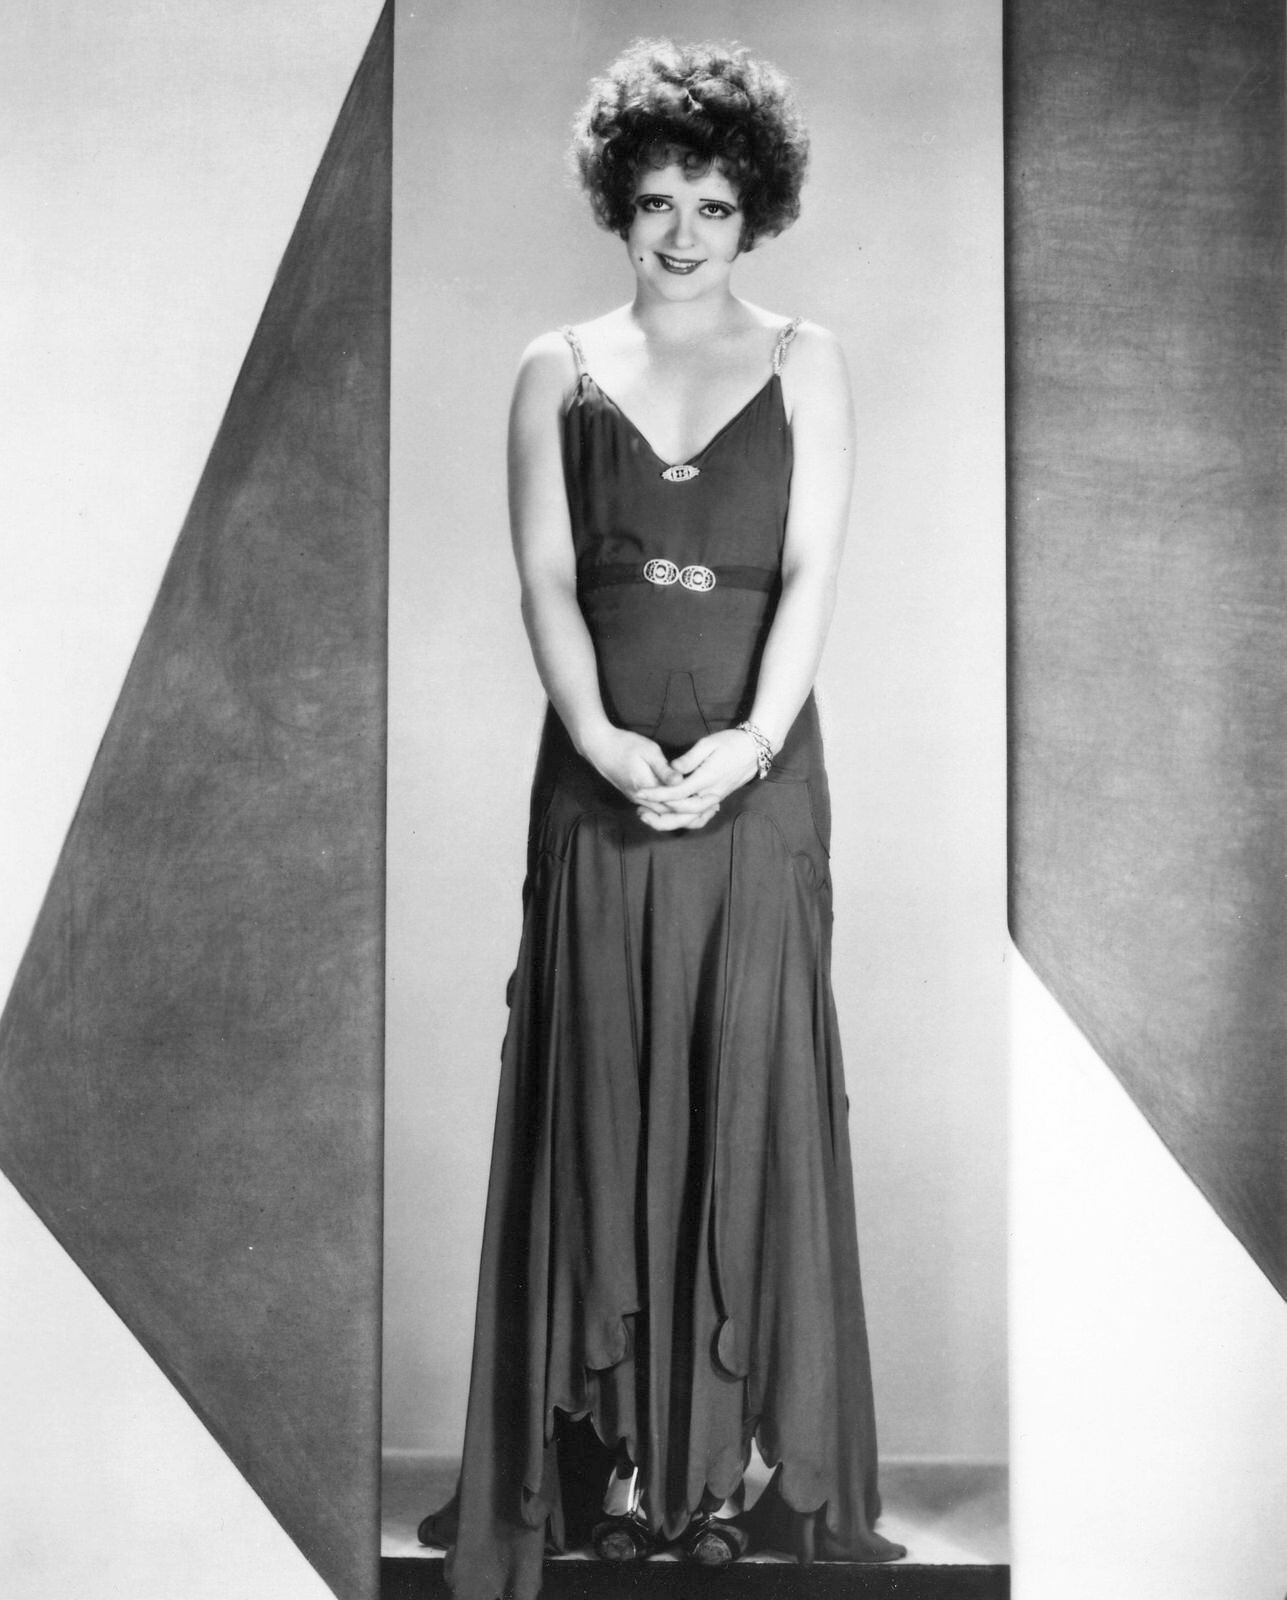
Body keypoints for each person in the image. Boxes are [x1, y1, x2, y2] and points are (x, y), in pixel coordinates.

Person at [419, 38, 906, 1598]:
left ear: (755, 209)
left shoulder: (809, 359)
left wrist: (751, 743)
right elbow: (545, 579)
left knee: (744, 1097)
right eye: (655, 202)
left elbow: (814, 571)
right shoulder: (551, 368)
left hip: (761, 789)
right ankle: (616, 1469)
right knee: (608, 1102)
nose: (683, 232)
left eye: (713, 204)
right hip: (601, 785)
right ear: (615, 206)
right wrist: (600, 739)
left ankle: (725, 1474)